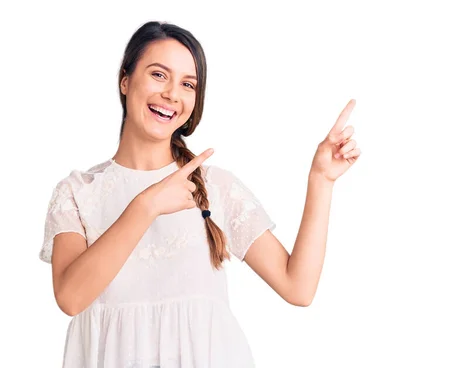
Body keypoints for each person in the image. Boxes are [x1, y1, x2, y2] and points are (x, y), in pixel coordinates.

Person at [40, 20, 361, 367]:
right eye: (159, 75)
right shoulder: (77, 192)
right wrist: (145, 207)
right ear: (125, 79)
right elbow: (71, 298)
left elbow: (297, 287)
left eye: (188, 84)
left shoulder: (215, 186)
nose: (173, 94)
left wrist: (321, 181)